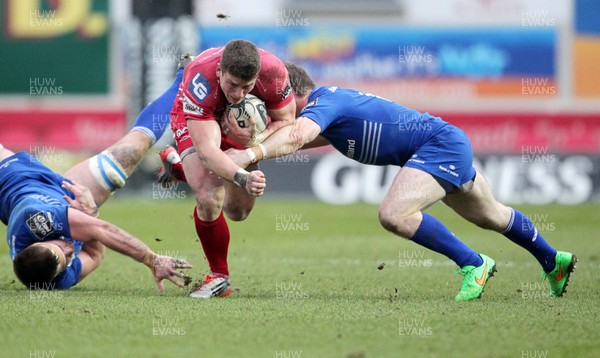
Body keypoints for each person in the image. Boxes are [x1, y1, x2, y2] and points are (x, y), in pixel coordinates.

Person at [226, 62, 577, 301]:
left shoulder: (323, 102)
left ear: (288, 92)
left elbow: (297, 135)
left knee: (394, 214)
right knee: (493, 217)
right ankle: (553, 260)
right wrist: (241, 149)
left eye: (273, 100)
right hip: (444, 144)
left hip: (438, 145)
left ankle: (474, 263)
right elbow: (291, 142)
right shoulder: (327, 113)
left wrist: (247, 155)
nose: (272, 109)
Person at [1, 56, 195, 291]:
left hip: (10, 176)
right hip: (57, 192)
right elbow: (95, 253)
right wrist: (91, 214)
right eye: (67, 259)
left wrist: (152, 259)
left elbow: (103, 231)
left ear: (31, 246)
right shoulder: (57, 280)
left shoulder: (37, 222)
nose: (70, 249)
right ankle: (184, 78)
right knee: (131, 151)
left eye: (60, 248)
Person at [166, 39, 296, 298]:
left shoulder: (274, 72)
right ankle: (219, 277)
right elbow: (207, 151)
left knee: (238, 212)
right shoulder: (200, 76)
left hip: (241, 129)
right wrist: (243, 177)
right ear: (220, 72)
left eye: (247, 87)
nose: (238, 94)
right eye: (232, 84)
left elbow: (287, 120)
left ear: (257, 77)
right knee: (208, 193)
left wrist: (252, 144)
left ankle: (183, 170)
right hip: (199, 117)